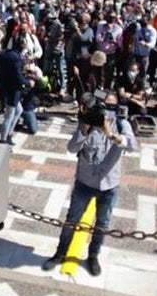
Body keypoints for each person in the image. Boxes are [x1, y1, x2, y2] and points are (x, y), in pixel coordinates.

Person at [41, 92, 139, 277]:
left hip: (109, 184)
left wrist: (111, 135)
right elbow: (72, 148)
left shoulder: (121, 123)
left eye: (111, 106)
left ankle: (93, 256)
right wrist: (85, 129)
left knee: (102, 223)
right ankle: (60, 253)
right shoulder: (87, 121)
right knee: (72, 220)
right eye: (104, 105)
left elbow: (132, 145)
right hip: (85, 182)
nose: (107, 111)